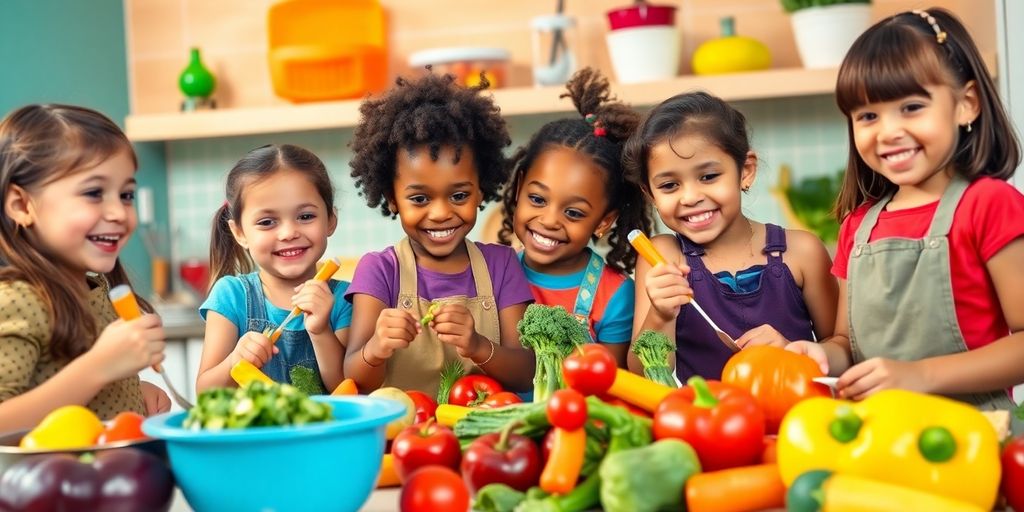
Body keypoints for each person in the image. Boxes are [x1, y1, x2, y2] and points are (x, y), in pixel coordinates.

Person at [786, 9, 1024, 429]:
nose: (888, 131)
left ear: (966, 104)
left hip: (976, 437)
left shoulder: (989, 204)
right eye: (868, 116)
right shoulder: (857, 227)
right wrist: (822, 353)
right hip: (879, 435)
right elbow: (847, 343)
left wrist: (920, 375)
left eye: (911, 107)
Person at [623, 91, 838, 380]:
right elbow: (643, 373)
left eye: (708, 177)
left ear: (746, 171)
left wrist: (793, 352)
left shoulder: (803, 251)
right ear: (650, 194)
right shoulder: (662, 257)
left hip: (796, 418)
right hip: (708, 421)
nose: (690, 197)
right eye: (670, 185)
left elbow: (844, 353)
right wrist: (660, 316)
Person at [345, 73, 535, 397]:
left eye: (459, 196)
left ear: (480, 191)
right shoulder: (379, 270)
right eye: (419, 199)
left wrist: (478, 345)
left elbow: (525, 373)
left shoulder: (501, 265)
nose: (440, 213)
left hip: (486, 434)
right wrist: (376, 348)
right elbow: (352, 379)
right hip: (405, 437)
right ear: (392, 199)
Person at [0, 104, 169, 429]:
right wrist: (98, 369)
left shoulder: (98, 290)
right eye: (94, 193)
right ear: (22, 205)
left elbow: (74, 395)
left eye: (126, 195)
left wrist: (132, 390)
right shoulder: (16, 301)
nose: (119, 212)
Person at [498, 68, 651, 368]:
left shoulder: (615, 294)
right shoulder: (494, 273)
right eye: (538, 199)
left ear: (604, 221)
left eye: (573, 213)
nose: (550, 220)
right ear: (518, 190)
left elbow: (614, 386)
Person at [197, 144, 351, 394]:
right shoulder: (231, 296)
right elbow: (205, 394)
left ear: (330, 220)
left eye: (305, 216)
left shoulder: (346, 299)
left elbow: (347, 390)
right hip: (254, 434)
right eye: (267, 222)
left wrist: (321, 330)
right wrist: (235, 361)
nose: (289, 233)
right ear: (239, 233)